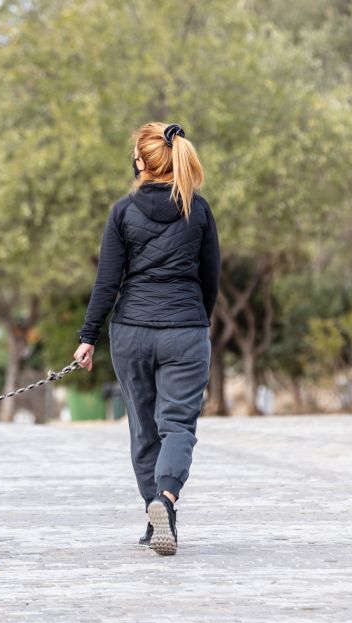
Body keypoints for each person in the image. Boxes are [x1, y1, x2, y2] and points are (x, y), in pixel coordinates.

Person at [73, 122, 220, 556]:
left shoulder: (122, 211)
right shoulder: (200, 210)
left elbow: (106, 282)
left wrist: (87, 338)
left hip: (131, 331)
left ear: (141, 161)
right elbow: (210, 277)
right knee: (177, 425)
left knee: (142, 427)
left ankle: (154, 515)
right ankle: (166, 501)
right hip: (185, 330)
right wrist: (197, 321)